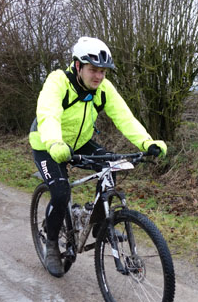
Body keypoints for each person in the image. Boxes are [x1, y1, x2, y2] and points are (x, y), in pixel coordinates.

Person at [29, 36, 167, 278]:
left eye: (103, 71)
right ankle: (51, 245)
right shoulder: (58, 81)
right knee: (61, 193)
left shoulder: (103, 89)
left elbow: (125, 118)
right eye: (93, 70)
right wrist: (54, 143)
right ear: (78, 66)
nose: (99, 77)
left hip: (80, 143)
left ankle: (100, 224)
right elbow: (48, 114)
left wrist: (147, 142)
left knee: (113, 165)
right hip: (47, 143)